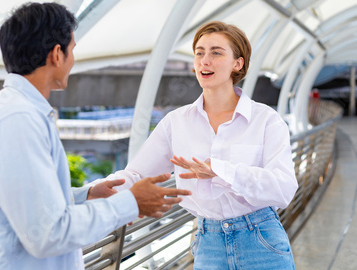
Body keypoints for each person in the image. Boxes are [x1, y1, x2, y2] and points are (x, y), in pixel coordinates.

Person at [0, 2, 191, 270]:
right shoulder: (16, 121)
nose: (72, 61)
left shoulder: (16, 113)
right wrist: (130, 202)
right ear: (57, 54)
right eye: (72, 51)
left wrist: (86, 194)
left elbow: (28, 201)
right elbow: (47, 233)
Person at [102, 21, 298, 269]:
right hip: (209, 245)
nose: (205, 60)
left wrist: (221, 171)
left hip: (262, 241)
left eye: (216, 52)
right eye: (199, 53)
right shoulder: (176, 122)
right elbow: (136, 174)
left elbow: (284, 188)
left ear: (237, 64)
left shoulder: (266, 120)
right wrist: (94, 196)